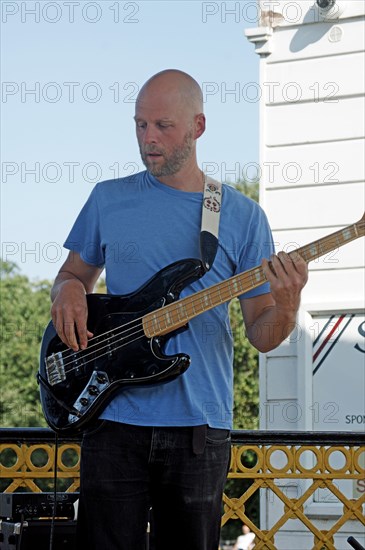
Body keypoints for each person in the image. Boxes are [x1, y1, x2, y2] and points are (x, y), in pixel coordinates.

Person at [50, 69, 308, 550]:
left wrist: (288, 303)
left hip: (198, 428)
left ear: (198, 127)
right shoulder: (108, 199)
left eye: (163, 126)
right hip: (112, 418)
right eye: (140, 125)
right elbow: (73, 276)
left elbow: (263, 335)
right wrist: (65, 289)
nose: (149, 139)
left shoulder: (242, 215)